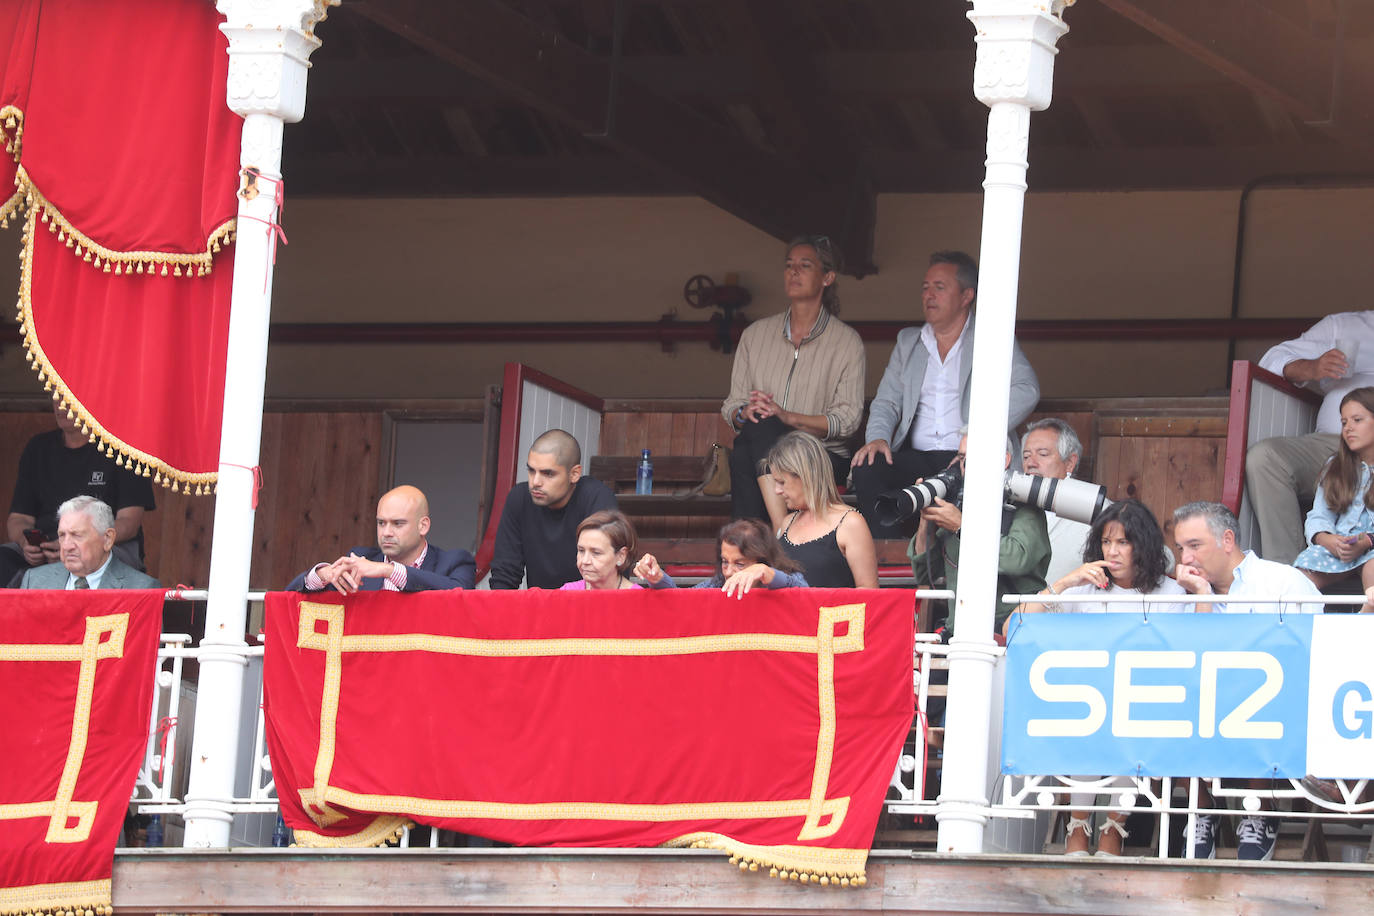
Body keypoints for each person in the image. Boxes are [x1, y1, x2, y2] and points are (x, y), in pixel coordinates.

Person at [1009, 499, 1188, 857]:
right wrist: (1065, 581)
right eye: (1107, 542)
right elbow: (1015, 625)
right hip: (1085, 697)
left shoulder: (1171, 594)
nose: (1113, 551)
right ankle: (1077, 826)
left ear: (1144, 544)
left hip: (1145, 699)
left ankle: (1113, 830)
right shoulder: (1083, 591)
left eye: (1123, 542)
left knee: (1130, 720)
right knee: (1087, 714)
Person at [1171, 500, 1323, 861]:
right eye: (1180, 548)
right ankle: (1200, 812)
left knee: (1258, 692)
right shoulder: (1185, 591)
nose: (1186, 558)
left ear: (1227, 540)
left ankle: (1260, 812)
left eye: (1194, 545)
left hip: (1274, 699)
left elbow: (1314, 650)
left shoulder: (1282, 581)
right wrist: (1202, 598)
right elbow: (1190, 660)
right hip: (1206, 700)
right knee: (1181, 696)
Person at [852, 250, 1039, 539]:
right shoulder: (909, 341)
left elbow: (1027, 390)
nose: (929, 295)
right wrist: (878, 438)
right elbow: (887, 401)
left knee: (971, 483)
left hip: (966, 458)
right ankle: (885, 550)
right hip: (916, 455)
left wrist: (975, 432)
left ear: (966, 296)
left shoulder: (991, 336)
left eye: (939, 288)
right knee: (868, 466)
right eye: (925, 288)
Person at [721, 235, 865, 529]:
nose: (793, 272)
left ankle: (753, 545)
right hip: (762, 451)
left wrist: (787, 417)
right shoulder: (755, 335)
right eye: (789, 265)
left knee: (749, 447)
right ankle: (778, 533)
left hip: (821, 458)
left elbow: (848, 420)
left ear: (827, 277)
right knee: (755, 435)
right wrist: (743, 412)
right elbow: (732, 404)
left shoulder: (846, 342)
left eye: (805, 265)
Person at [1247, 311, 1374, 563]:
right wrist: (1311, 366)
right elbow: (1271, 359)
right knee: (1265, 458)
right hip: (1333, 445)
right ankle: (1288, 579)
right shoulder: (1345, 325)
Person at [3, 402, 157, 586]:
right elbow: (18, 518)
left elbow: (129, 523)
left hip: (105, 544)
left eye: (68, 397)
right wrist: (26, 542)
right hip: (44, 548)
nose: (61, 405)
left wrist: (75, 543)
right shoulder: (38, 448)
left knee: (87, 556)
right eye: (56, 396)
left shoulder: (124, 448)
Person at [910, 433, 1050, 632]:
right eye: (961, 457)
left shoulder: (1024, 505)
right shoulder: (961, 508)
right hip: (958, 631)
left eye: (975, 455)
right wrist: (926, 518)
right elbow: (924, 573)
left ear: (1004, 460)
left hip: (1011, 630)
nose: (966, 463)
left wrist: (961, 526)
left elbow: (1016, 560)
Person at [489, 429, 617, 589]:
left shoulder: (596, 498)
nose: (535, 482)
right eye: (531, 470)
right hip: (539, 609)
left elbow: (608, 574)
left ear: (575, 474)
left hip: (588, 606)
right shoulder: (519, 499)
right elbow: (504, 574)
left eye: (547, 473)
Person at [287, 485, 475, 592]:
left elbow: (460, 595)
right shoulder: (360, 558)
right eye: (381, 523)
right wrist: (323, 575)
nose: (386, 532)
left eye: (397, 524)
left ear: (423, 526)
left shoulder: (455, 562)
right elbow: (290, 596)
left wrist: (389, 570)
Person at [767, 431, 878, 589]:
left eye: (781, 482)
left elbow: (869, 591)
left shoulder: (851, 522)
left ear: (805, 476)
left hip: (832, 613)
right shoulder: (787, 522)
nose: (777, 490)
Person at [1293, 387, 1374, 591]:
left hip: (1372, 547)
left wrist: (1366, 541)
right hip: (1340, 547)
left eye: (1357, 420)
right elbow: (1319, 515)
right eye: (1344, 422)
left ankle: (1365, 618)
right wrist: (1326, 539)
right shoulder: (1335, 465)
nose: (1348, 428)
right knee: (1298, 579)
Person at [633, 518, 809, 597]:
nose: (730, 572)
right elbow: (682, 600)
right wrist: (657, 578)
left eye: (740, 564)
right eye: (725, 562)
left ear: (762, 560)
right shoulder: (719, 584)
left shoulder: (789, 578)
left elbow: (805, 595)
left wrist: (768, 573)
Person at [20, 495, 160, 589]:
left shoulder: (140, 588)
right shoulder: (34, 581)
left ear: (108, 539)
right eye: (62, 535)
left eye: (77, 535)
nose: (67, 546)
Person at [1020, 418, 1090, 586]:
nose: (1031, 463)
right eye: (1026, 456)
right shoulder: (1010, 506)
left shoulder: (1093, 505)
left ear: (1070, 463)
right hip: (1018, 610)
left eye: (1043, 454)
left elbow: (1159, 556)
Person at [560, 510, 642, 591]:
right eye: (581, 550)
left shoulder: (638, 598)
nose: (585, 561)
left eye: (596, 553)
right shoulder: (567, 592)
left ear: (621, 556)